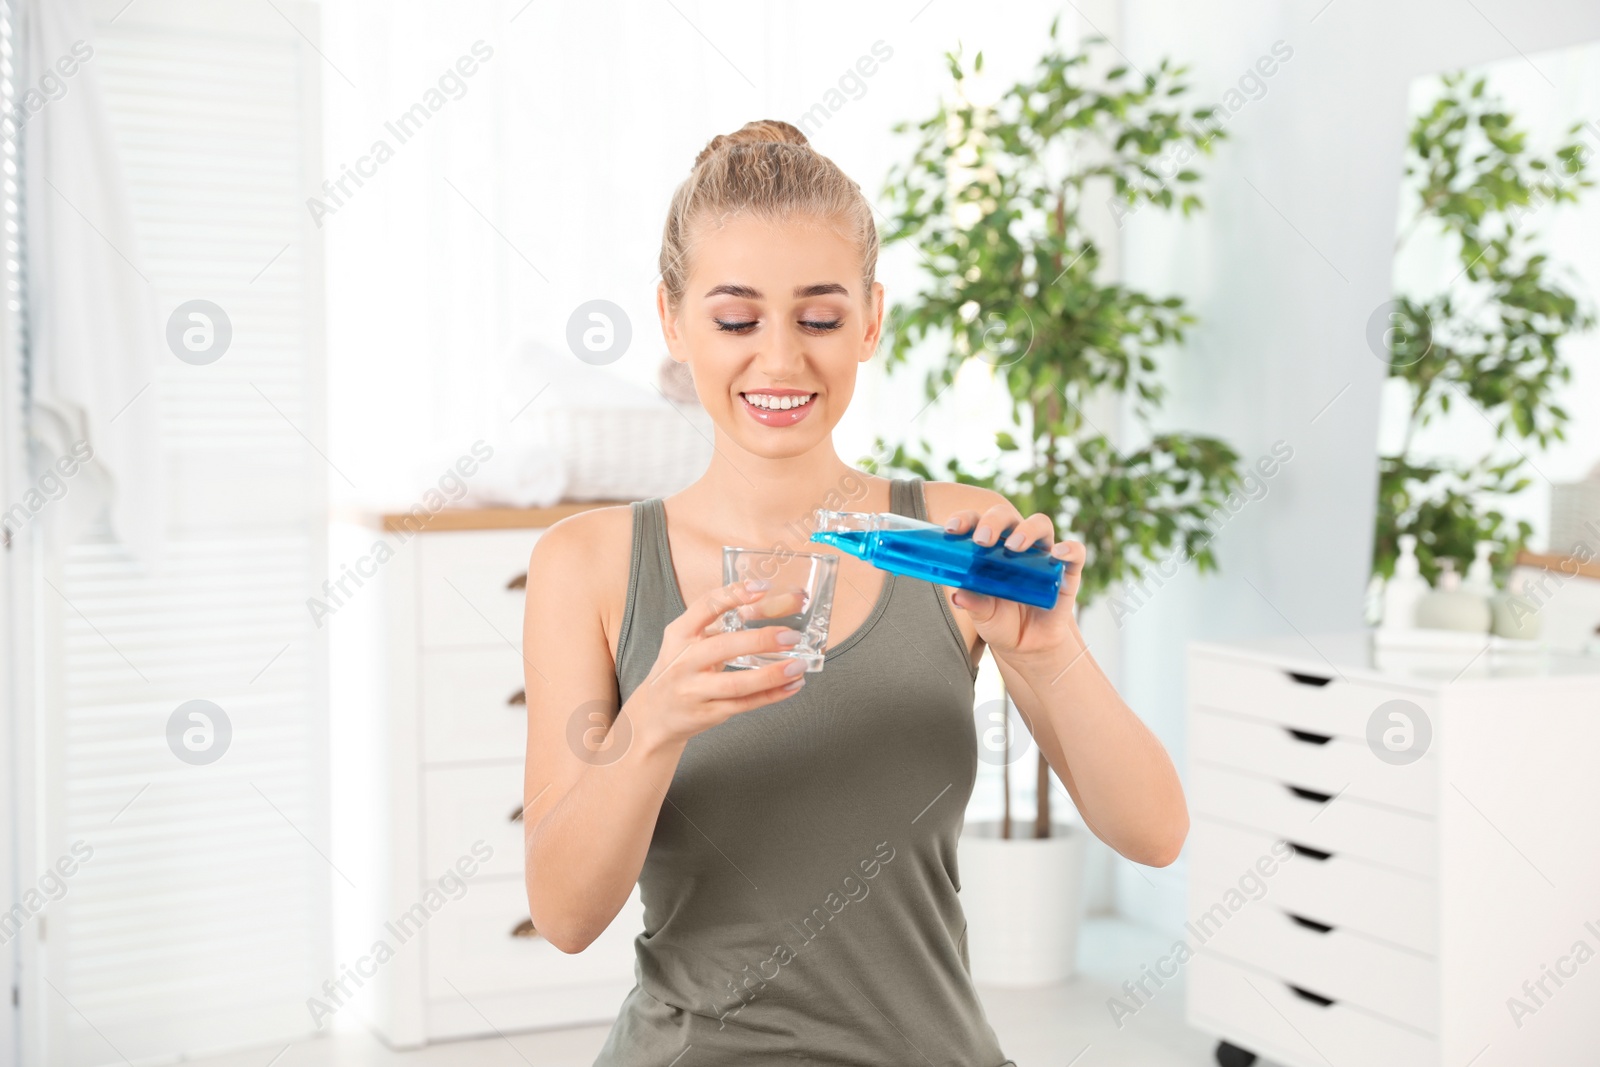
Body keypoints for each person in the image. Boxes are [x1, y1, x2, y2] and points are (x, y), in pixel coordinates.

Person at [521, 119, 1187, 1067]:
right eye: (736, 318)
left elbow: (1156, 833)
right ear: (672, 320)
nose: (783, 361)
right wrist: (657, 718)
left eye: (821, 318)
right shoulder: (588, 564)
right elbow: (564, 912)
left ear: (872, 319)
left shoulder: (955, 536)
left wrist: (1051, 653)